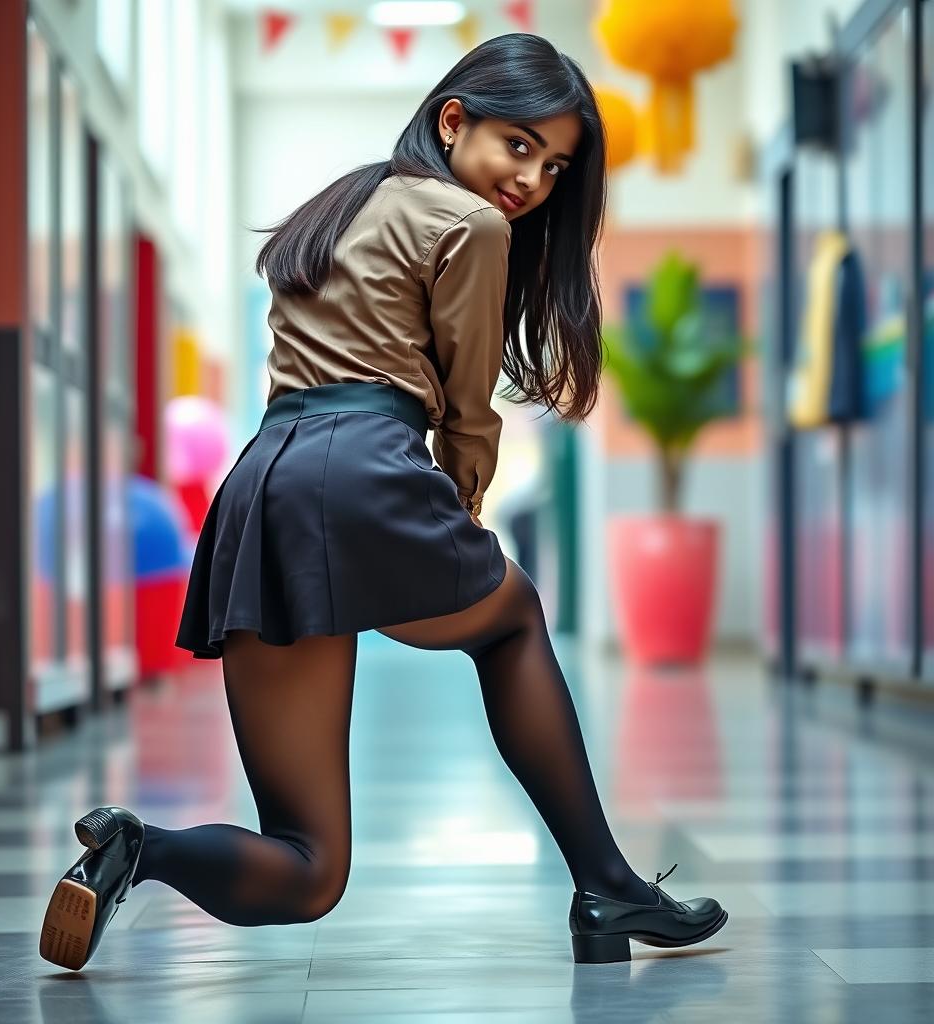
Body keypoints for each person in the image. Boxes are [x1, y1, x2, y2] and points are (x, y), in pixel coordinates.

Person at [39, 32, 727, 973]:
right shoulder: (472, 227)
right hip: (364, 468)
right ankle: (606, 886)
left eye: (556, 165)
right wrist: (463, 517)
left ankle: (134, 848)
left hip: (265, 485)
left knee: (307, 869)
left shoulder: (339, 205)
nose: (532, 179)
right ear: (455, 121)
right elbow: (467, 412)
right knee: (514, 616)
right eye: (519, 145)